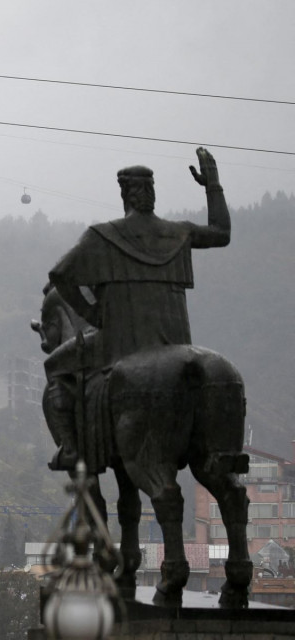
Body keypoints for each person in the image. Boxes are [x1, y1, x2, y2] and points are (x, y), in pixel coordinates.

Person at [43, 147, 230, 470]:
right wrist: (213, 185)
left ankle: (71, 449)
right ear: (151, 194)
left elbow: (60, 275)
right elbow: (221, 233)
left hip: (119, 341)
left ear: (124, 195)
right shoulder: (179, 232)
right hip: (175, 342)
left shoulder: (102, 236)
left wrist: (93, 314)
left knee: (54, 368)